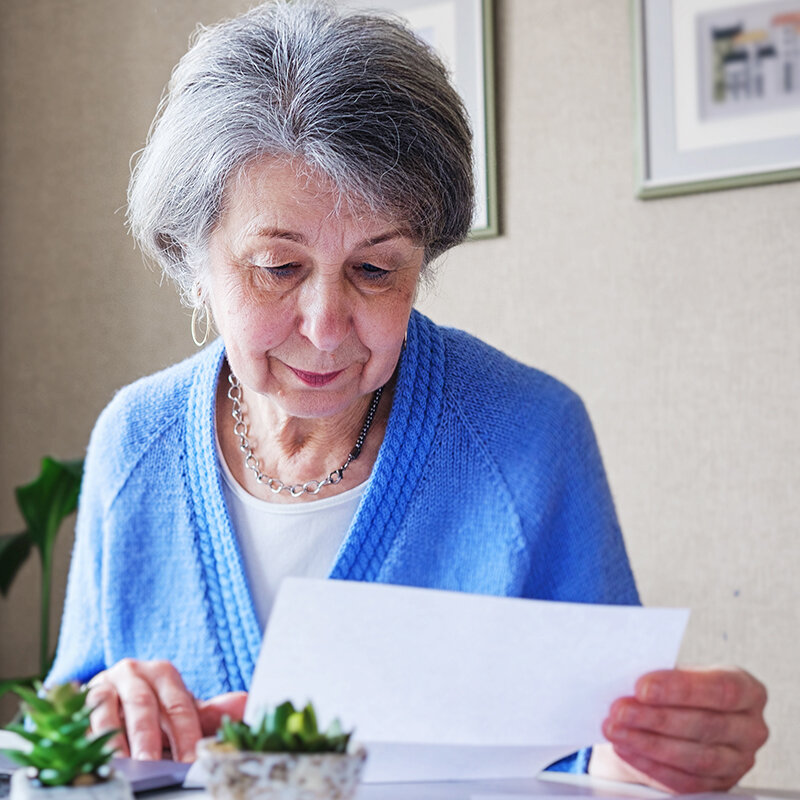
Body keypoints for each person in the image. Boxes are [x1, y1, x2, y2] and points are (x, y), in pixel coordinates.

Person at [46, 0, 768, 792]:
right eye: (278, 268)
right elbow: (70, 738)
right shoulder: (134, 440)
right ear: (193, 259)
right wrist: (101, 725)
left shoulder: (528, 436)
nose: (326, 328)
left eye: (376, 270)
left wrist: (645, 759)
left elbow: (594, 755)